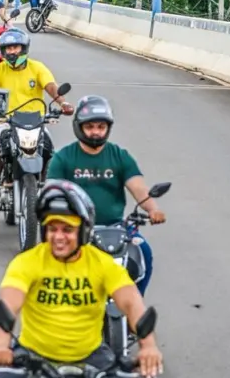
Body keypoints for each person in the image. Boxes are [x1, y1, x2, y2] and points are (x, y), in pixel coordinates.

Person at [0, 180, 164, 378]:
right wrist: (1, 344)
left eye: (67, 229)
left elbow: (131, 302)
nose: (58, 236)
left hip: (93, 358)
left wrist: (148, 346)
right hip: (33, 356)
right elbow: (9, 304)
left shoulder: (101, 263)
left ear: (83, 230)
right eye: (52, 228)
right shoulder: (27, 262)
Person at [47, 96, 166, 296]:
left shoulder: (119, 156)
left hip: (116, 228)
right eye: (90, 126)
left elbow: (138, 188)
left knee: (143, 251)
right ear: (79, 127)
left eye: (101, 127)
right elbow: (51, 193)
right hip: (74, 229)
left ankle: (134, 304)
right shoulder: (63, 157)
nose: (96, 132)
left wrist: (153, 209)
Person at [0, 29, 73, 208]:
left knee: (49, 149)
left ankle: (45, 187)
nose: (12, 52)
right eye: (8, 48)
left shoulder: (37, 67)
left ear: (24, 48)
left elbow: (51, 87)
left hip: (35, 121)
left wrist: (63, 103)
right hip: (6, 121)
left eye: (15, 47)